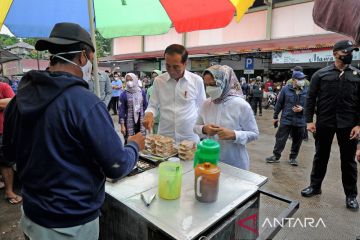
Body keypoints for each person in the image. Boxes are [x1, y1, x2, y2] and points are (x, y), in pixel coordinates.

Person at [2, 22, 145, 239]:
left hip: (32, 216)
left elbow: (8, 155)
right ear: (82, 57)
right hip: (72, 225)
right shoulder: (85, 103)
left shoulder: (18, 100)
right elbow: (116, 166)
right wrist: (134, 145)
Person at [301, 40, 360, 211]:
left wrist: (358, 124)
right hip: (324, 123)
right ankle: (315, 186)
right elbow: (310, 99)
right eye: (346, 52)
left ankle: (351, 195)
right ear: (335, 53)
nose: (349, 55)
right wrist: (309, 121)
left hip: (348, 125)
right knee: (321, 156)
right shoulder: (320, 75)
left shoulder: (357, 75)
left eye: (351, 52)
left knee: (348, 161)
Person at [194, 65, 258, 169]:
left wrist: (234, 135)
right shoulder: (206, 104)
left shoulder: (241, 105)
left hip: (234, 162)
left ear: (225, 81)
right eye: (207, 85)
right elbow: (195, 126)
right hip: (209, 160)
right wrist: (204, 129)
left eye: (213, 84)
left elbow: (254, 134)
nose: (209, 89)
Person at [143, 44, 206, 143]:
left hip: (189, 137)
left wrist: (202, 130)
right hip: (165, 137)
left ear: (185, 63)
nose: (171, 70)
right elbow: (153, 105)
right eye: (168, 66)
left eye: (176, 67)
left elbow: (202, 108)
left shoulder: (196, 81)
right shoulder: (159, 81)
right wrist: (149, 114)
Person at [265, 71, 308, 166]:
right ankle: (276, 156)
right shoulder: (285, 89)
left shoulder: (307, 90)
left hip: (300, 120)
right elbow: (279, 104)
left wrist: (302, 109)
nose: (302, 81)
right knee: (280, 138)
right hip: (286, 119)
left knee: (297, 140)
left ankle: (293, 158)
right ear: (293, 80)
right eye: (299, 79)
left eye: (303, 79)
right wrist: (275, 117)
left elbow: (311, 106)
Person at [0, 81, 22, 204]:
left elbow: (13, 102)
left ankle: (9, 192)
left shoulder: (4, 86)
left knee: (5, 162)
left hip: (2, 131)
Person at [119, 73, 148, 139]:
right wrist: (122, 126)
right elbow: (121, 110)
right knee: (129, 141)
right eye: (127, 80)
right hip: (129, 121)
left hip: (140, 121)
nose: (129, 82)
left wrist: (146, 119)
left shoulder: (141, 92)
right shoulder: (123, 94)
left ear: (135, 80)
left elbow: (145, 106)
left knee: (140, 140)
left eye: (131, 80)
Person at [146, 70, 162, 134]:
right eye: (153, 77)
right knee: (156, 135)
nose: (155, 78)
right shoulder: (149, 89)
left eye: (156, 76)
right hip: (155, 116)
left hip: (165, 116)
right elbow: (148, 102)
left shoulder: (166, 87)